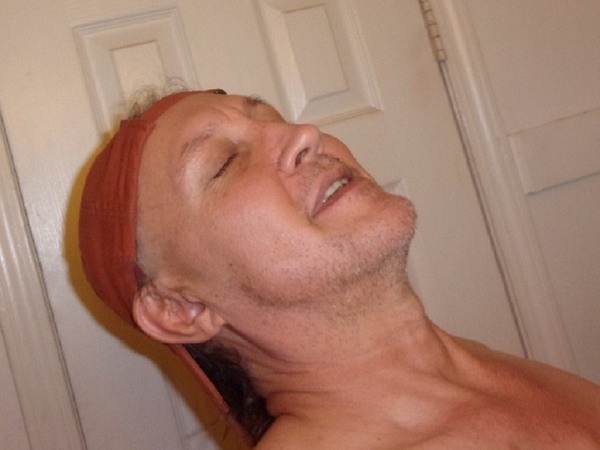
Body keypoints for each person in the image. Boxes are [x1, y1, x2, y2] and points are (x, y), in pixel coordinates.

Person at [79, 89, 600, 449]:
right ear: (179, 308)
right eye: (224, 163)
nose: (305, 133)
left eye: (274, 116)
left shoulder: (503, 375)